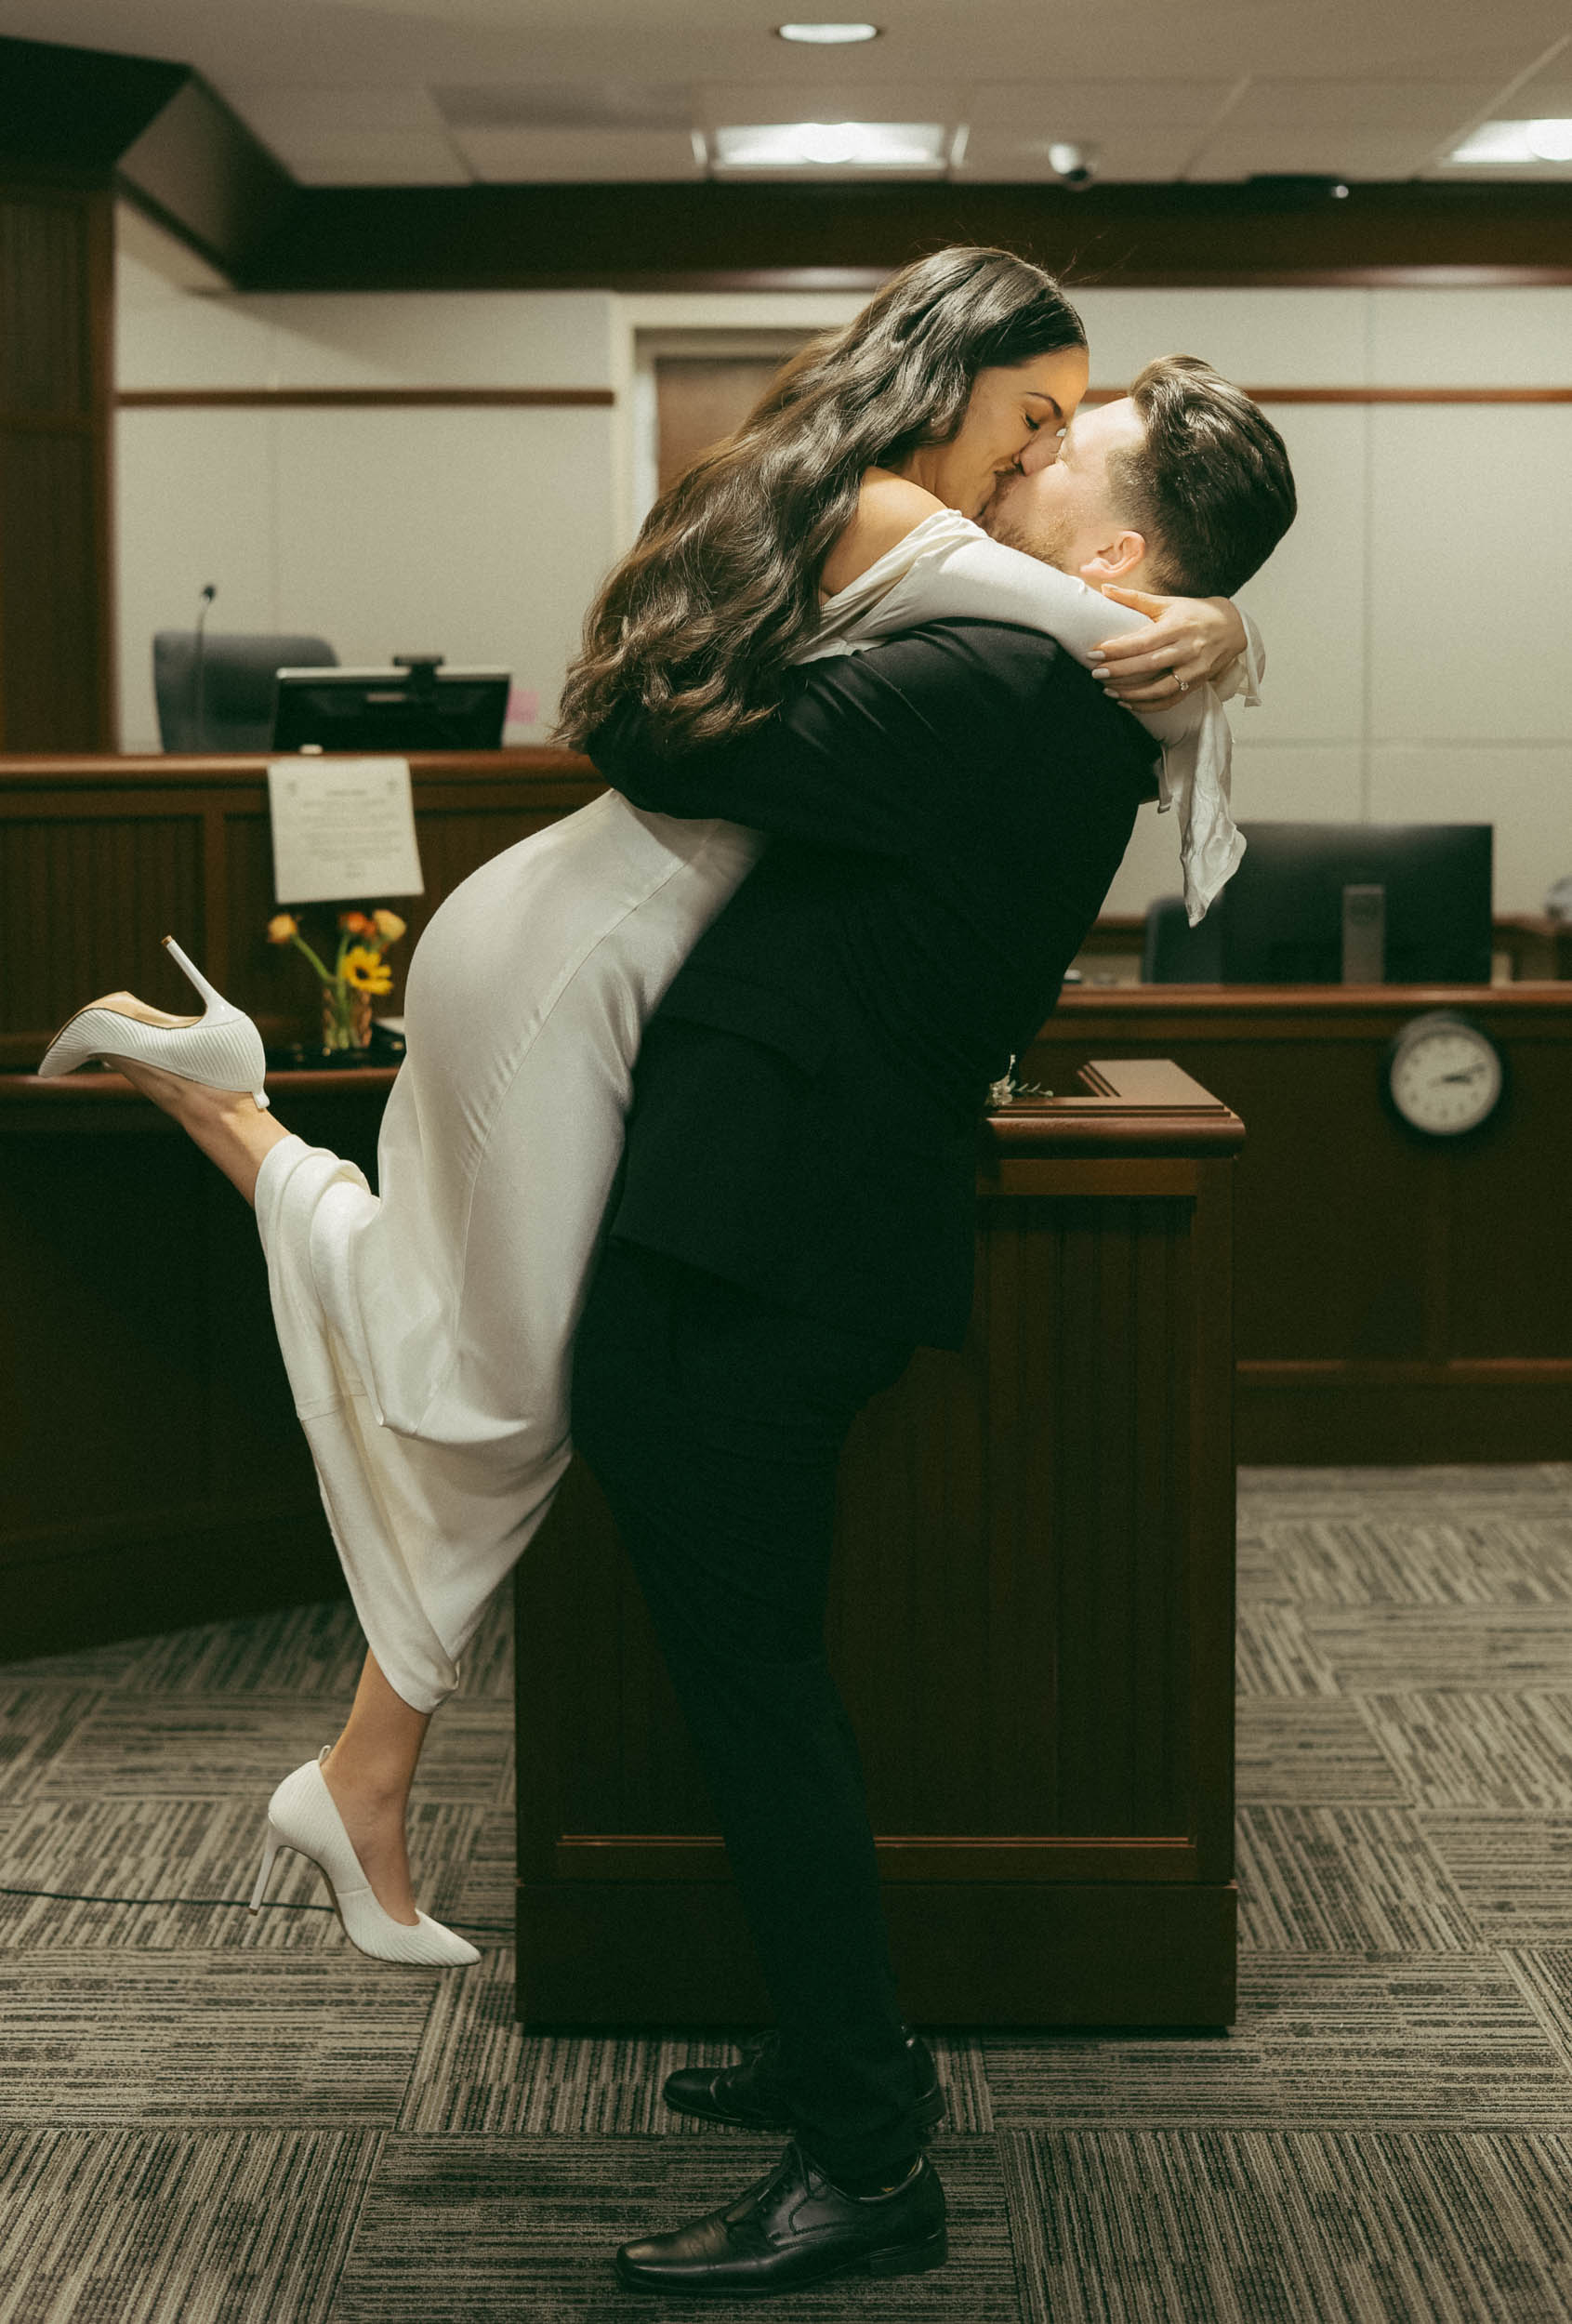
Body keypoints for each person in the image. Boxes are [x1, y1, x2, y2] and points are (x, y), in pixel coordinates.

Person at [33, 251, 1285, 1981]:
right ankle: (357, 1741)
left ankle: (360, 1757)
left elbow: (1069, 637)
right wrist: (1205, 635)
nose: (1038, 450)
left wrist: (1203, 632)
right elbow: (1030, 636)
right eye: (1040, 412)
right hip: (565, 951)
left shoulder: (1001, 624)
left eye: (1071, 436)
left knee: (508, 1379)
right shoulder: (921, 535)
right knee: (500, 1385)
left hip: (593, 959)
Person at [567, 355, 1295, 2295]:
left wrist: (796, 499)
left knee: (754, 1684)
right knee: (759, 1662)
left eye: (1071, 452)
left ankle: (865, 2154)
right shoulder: (1056, 677)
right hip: (792, 1216)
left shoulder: (1002, 684)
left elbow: (649, 724)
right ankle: (830, 2051)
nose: (1029, 450)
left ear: (1122, 554)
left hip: (764, 1234)